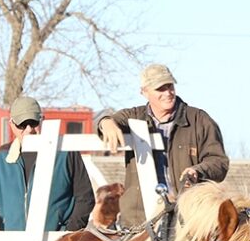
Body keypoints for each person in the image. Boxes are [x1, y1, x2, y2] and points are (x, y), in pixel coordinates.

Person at [97, 63, 229, 227]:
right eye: (160, 89)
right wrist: (106, 122)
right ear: (144, 92)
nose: (168, 93)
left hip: (188, 216)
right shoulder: (133, 117)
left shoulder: (200, 120)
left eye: (170, 86)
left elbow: (219, 162)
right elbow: (109, 121)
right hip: (139, 219)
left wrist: (198, 170)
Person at [0, 96, 96, 241]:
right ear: (12, 125)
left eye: (33, 122)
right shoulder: (0, 158)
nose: (29, 129)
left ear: (42, 120)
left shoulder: (65, 153)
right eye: (22, 124)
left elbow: (85, 197)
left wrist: (68, 234)